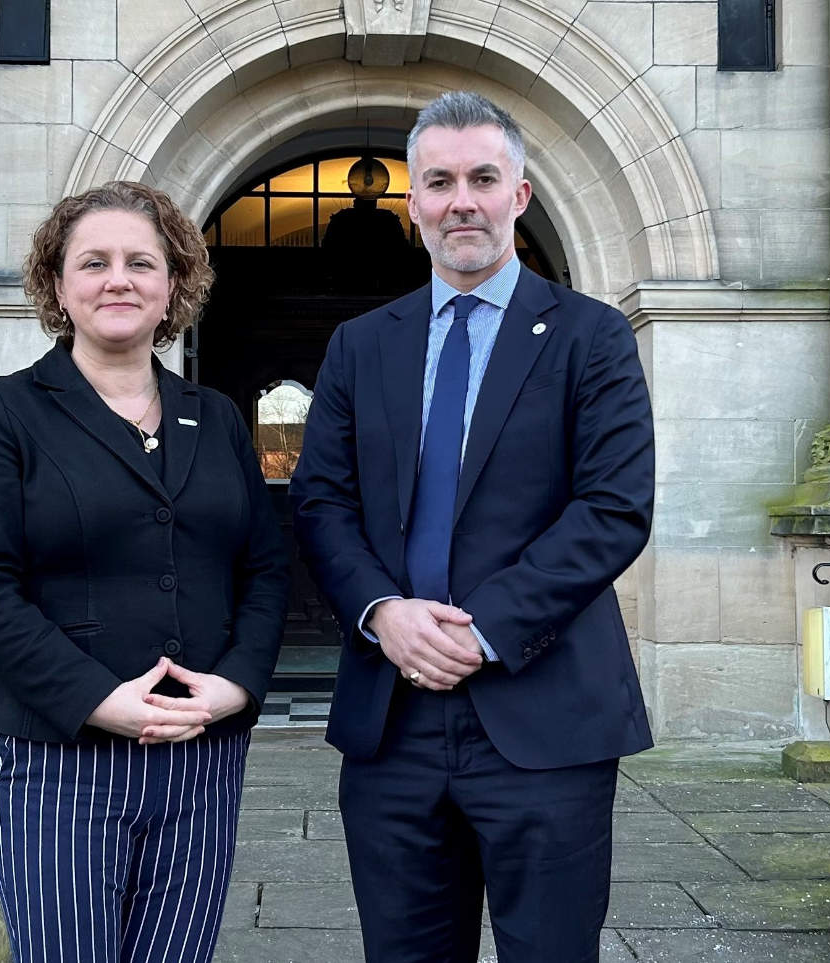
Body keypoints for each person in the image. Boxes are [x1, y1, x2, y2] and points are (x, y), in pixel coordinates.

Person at [290, 91, 655, 962]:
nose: (463, 200)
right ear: (411, 202)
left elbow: (613, 508)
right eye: (441, 181)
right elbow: (322, 502)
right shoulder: (359, 345)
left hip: (546, 714)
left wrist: (483, 629)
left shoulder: (592, 339)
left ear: (519, 195)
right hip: (392, 722)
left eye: (483, 178)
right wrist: (385, 613)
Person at [0, 180, 288, 963]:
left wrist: (236, 685)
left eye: (141, 262)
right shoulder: (4, 413)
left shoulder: (217, 416)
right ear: (58, 286)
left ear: (173, 286)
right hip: (55, 759)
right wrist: (99, 700)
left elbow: (265, 569)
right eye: (92, 262)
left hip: (200, 754)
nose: (118, 279)